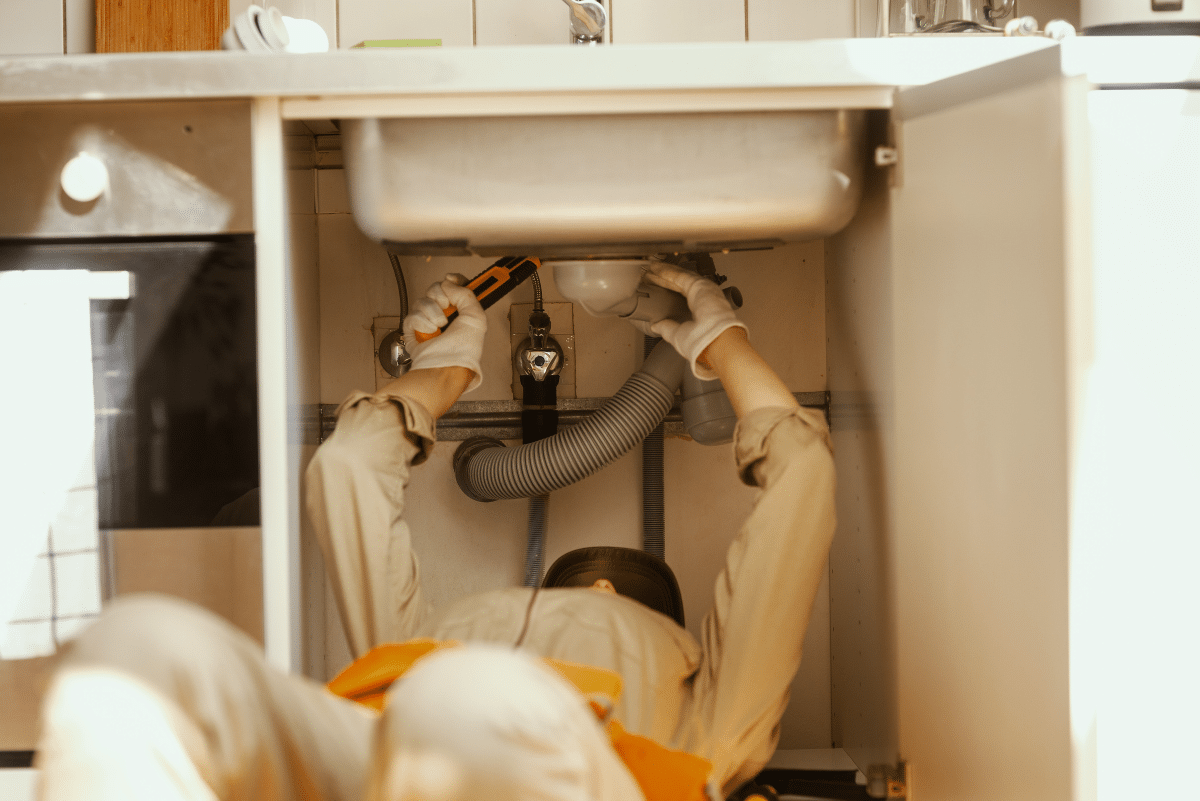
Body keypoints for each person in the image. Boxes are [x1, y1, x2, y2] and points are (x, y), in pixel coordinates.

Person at [35, 263, 836, 801]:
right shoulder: (421, 652)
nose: (597, 586)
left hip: (554, 759)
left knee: (464, 698)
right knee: (135, 654)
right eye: (599, 588)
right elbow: (344, 468)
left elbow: (804, 487)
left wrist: (719, 338)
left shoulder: (714, 720)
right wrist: (448, 368)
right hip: (382, 742)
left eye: (603, 590)